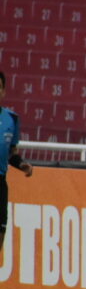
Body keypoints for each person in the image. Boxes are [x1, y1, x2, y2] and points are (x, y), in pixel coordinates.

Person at [1, 71, 33, 250]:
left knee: (1, 234)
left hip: (0, 184)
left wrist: (22, 165)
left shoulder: (11, 119)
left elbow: (11, 153)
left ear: (4, 91)